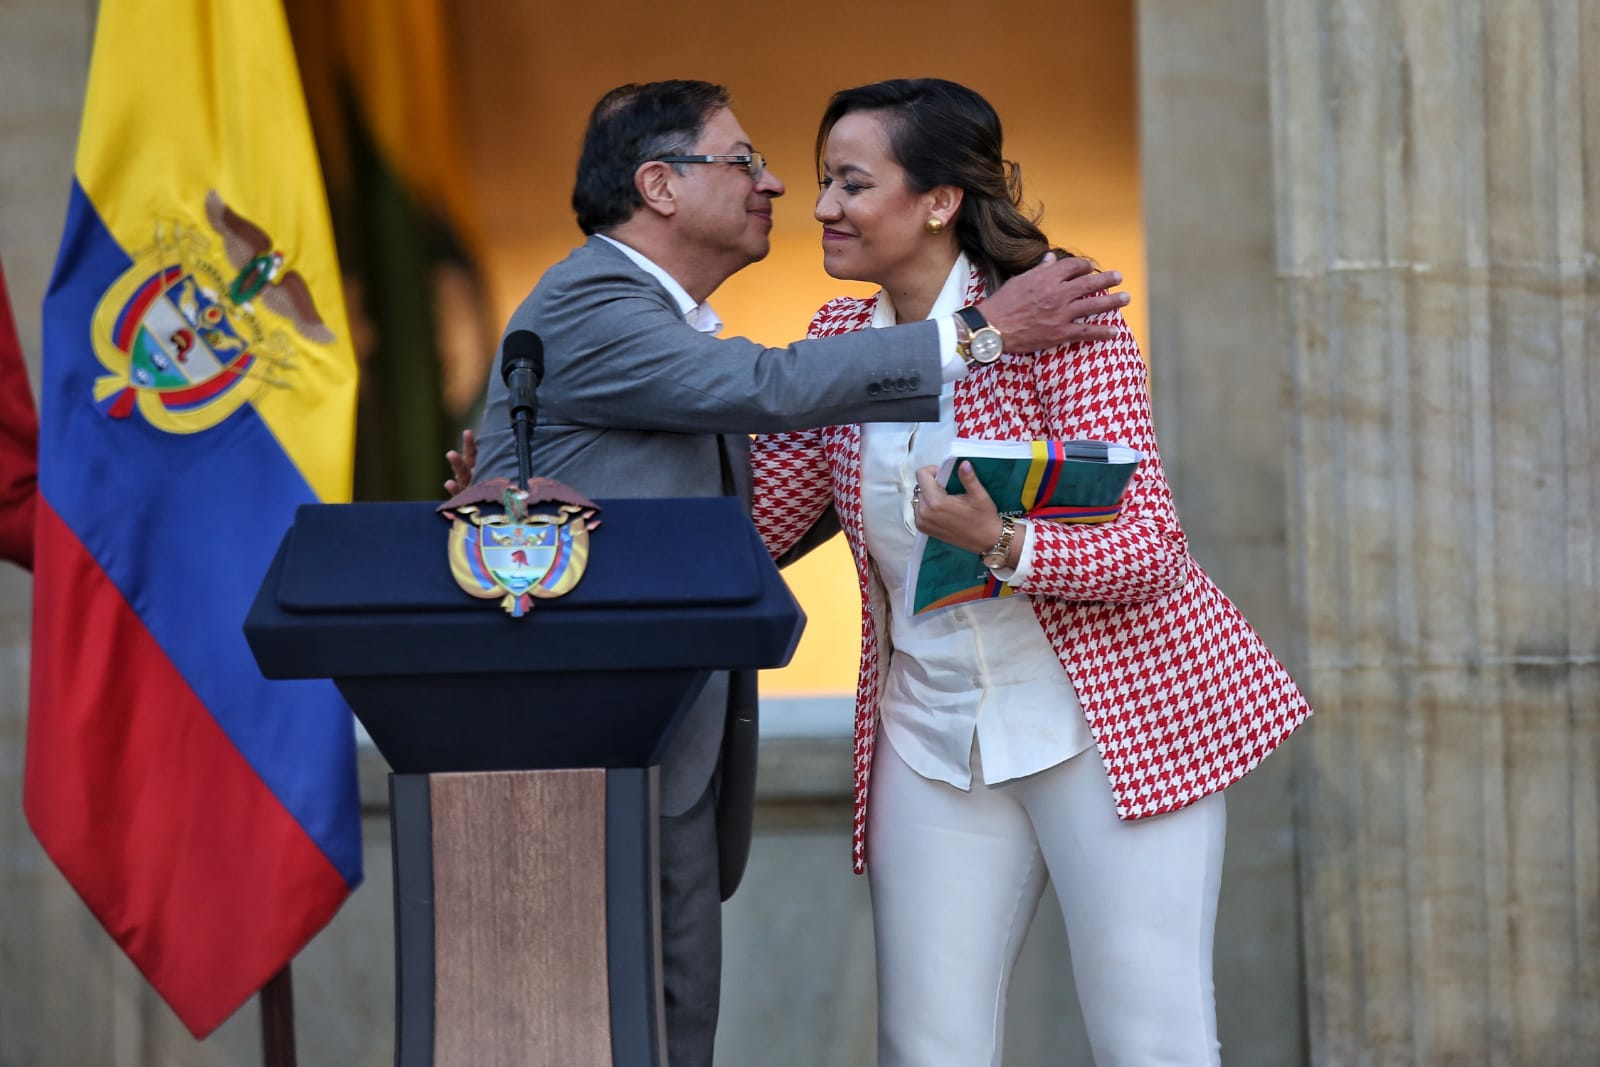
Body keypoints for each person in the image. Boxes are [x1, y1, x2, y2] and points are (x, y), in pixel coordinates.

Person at [454, 79, 1130, 1067]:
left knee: (670, 1016)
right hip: (591, 739)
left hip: (672, 728)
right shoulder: (591, 302)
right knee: (601, 1020)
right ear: (660, 185)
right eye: (744, 162)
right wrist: (981, 334)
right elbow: (769, 389)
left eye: (830, 177)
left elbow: (754, 516)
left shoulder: (669, 316)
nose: (778, 186)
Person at [749, 78, 1313, 1066]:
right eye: (820, 182)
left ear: (937, 200)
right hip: (927, 735)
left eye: (848, 181)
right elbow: (758, 516)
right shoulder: (842, 343)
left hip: (1108, 720)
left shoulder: (1065, 313)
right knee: (925, 1048)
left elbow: (1149, 550)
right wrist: (564, 499)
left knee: (1154, 1038)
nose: (822, 207)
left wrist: (1003, 542)